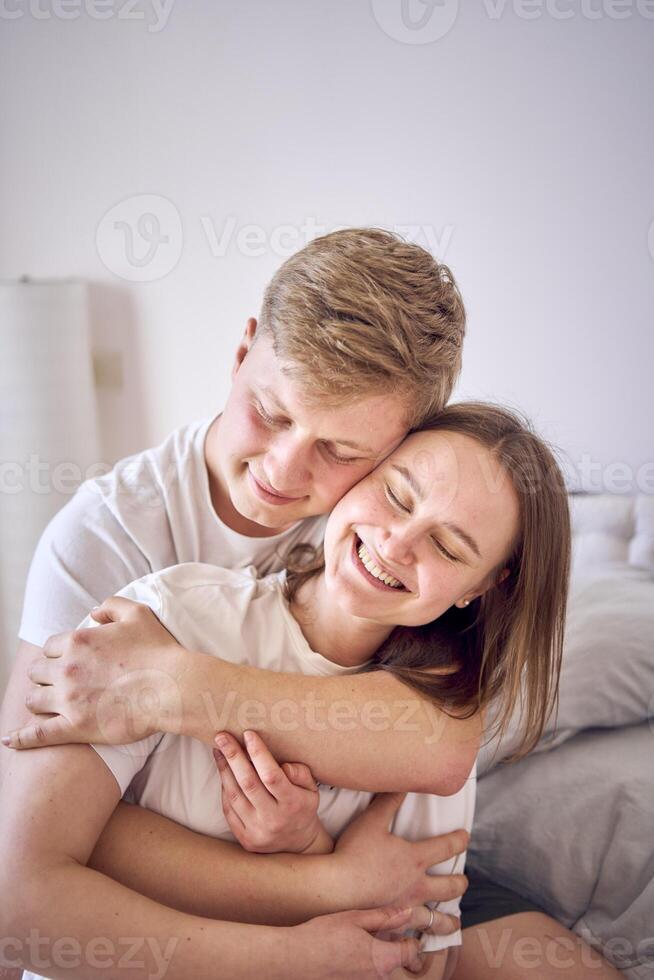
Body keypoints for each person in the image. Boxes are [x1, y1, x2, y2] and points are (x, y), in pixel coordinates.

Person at [0, 229, 622, 979]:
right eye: (271, 411)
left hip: (366, 850)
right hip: (185, 860)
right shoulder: (106, 543)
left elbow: (441, 749)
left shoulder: (407, 551)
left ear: (406, 439)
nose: (281, 473)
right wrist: (318, 887)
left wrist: (180, 688)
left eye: (342, 451)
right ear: (244, 352)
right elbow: (29, 848)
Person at [5, 402, 570, 980]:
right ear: (363, 472)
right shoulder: (171, 614)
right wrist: (316, 897)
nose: (397, 544)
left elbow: (425, 959)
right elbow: (23, 895)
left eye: (448, 548)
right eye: (398, 496)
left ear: (479, 588)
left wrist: (308, 846)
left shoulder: (438, 717)